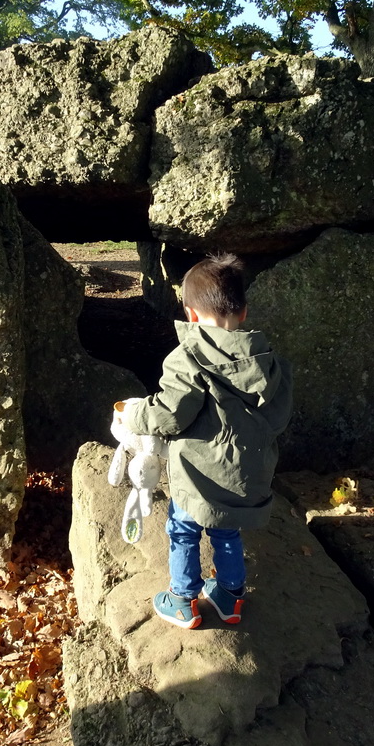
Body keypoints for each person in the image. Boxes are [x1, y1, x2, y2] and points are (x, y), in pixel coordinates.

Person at [119, 252, 293, 629]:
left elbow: (168, 414)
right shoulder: (269, 360)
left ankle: (182, 599)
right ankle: (231, 597)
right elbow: (278, 417)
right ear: (243, 311)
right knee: (227, 528)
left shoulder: (188, 357)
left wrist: (132, 414)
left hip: (198, 477)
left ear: (191, 314)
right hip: (246, 474)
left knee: (183, 529)